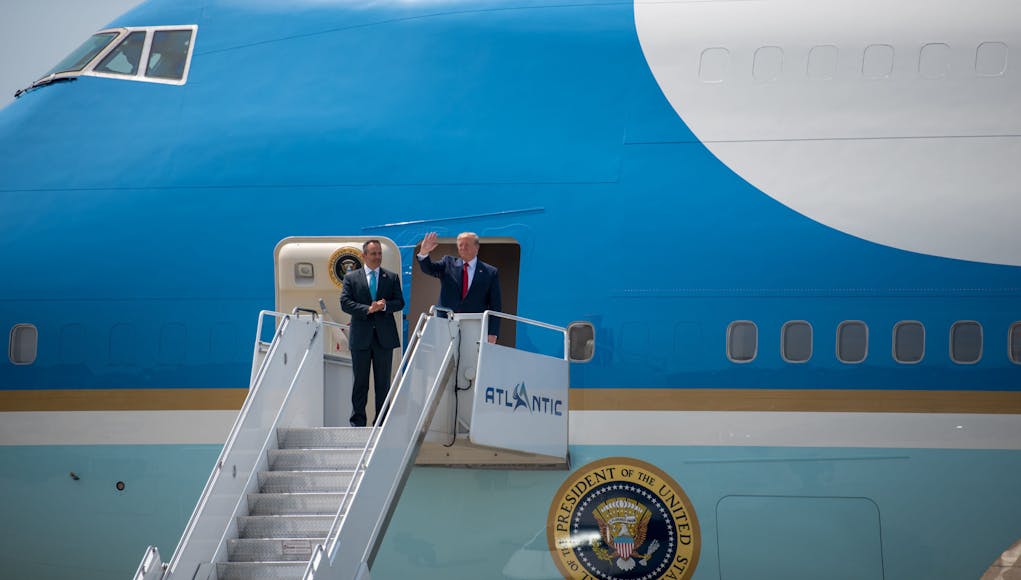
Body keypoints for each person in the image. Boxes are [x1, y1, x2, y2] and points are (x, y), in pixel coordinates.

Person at [340, 240, 404, 427]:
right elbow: (345, 303)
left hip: (384, 339)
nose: (377, 257)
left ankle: (382, 422)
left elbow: (400, 302)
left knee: (383, 383)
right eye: (373, 253)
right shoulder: (351, 278)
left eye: (379, 254)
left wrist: (384, 306)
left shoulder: (391, 277)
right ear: (364, 256)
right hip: (361, 338)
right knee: (360, 382)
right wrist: (368, 309)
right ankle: (357, 422)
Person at [417, 231, 501, 343]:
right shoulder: (448, 263)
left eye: (467, 244)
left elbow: (496, 305)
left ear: (477, 247)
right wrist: (424, 252)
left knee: (471, 359)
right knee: (445, 359)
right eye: (460, 245)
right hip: (446, 323)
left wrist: (492, 333)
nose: (463, 248)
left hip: (474, 325)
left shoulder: (490, 272)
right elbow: (429, 269)